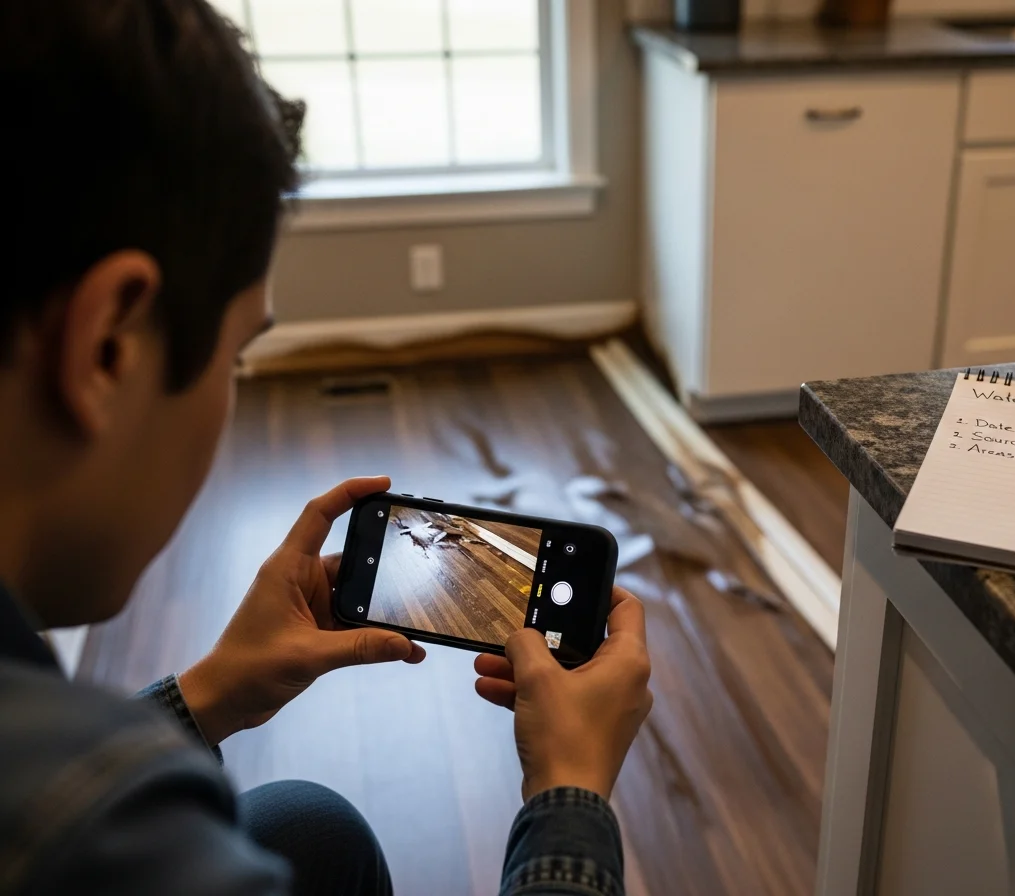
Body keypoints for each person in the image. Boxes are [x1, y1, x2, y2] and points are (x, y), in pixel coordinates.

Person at [0, 1, 653, 893]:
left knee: (309, 828)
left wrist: (209, 696)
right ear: (109, 345)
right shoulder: (103, 835)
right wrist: (570, 790)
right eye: (238, 355)